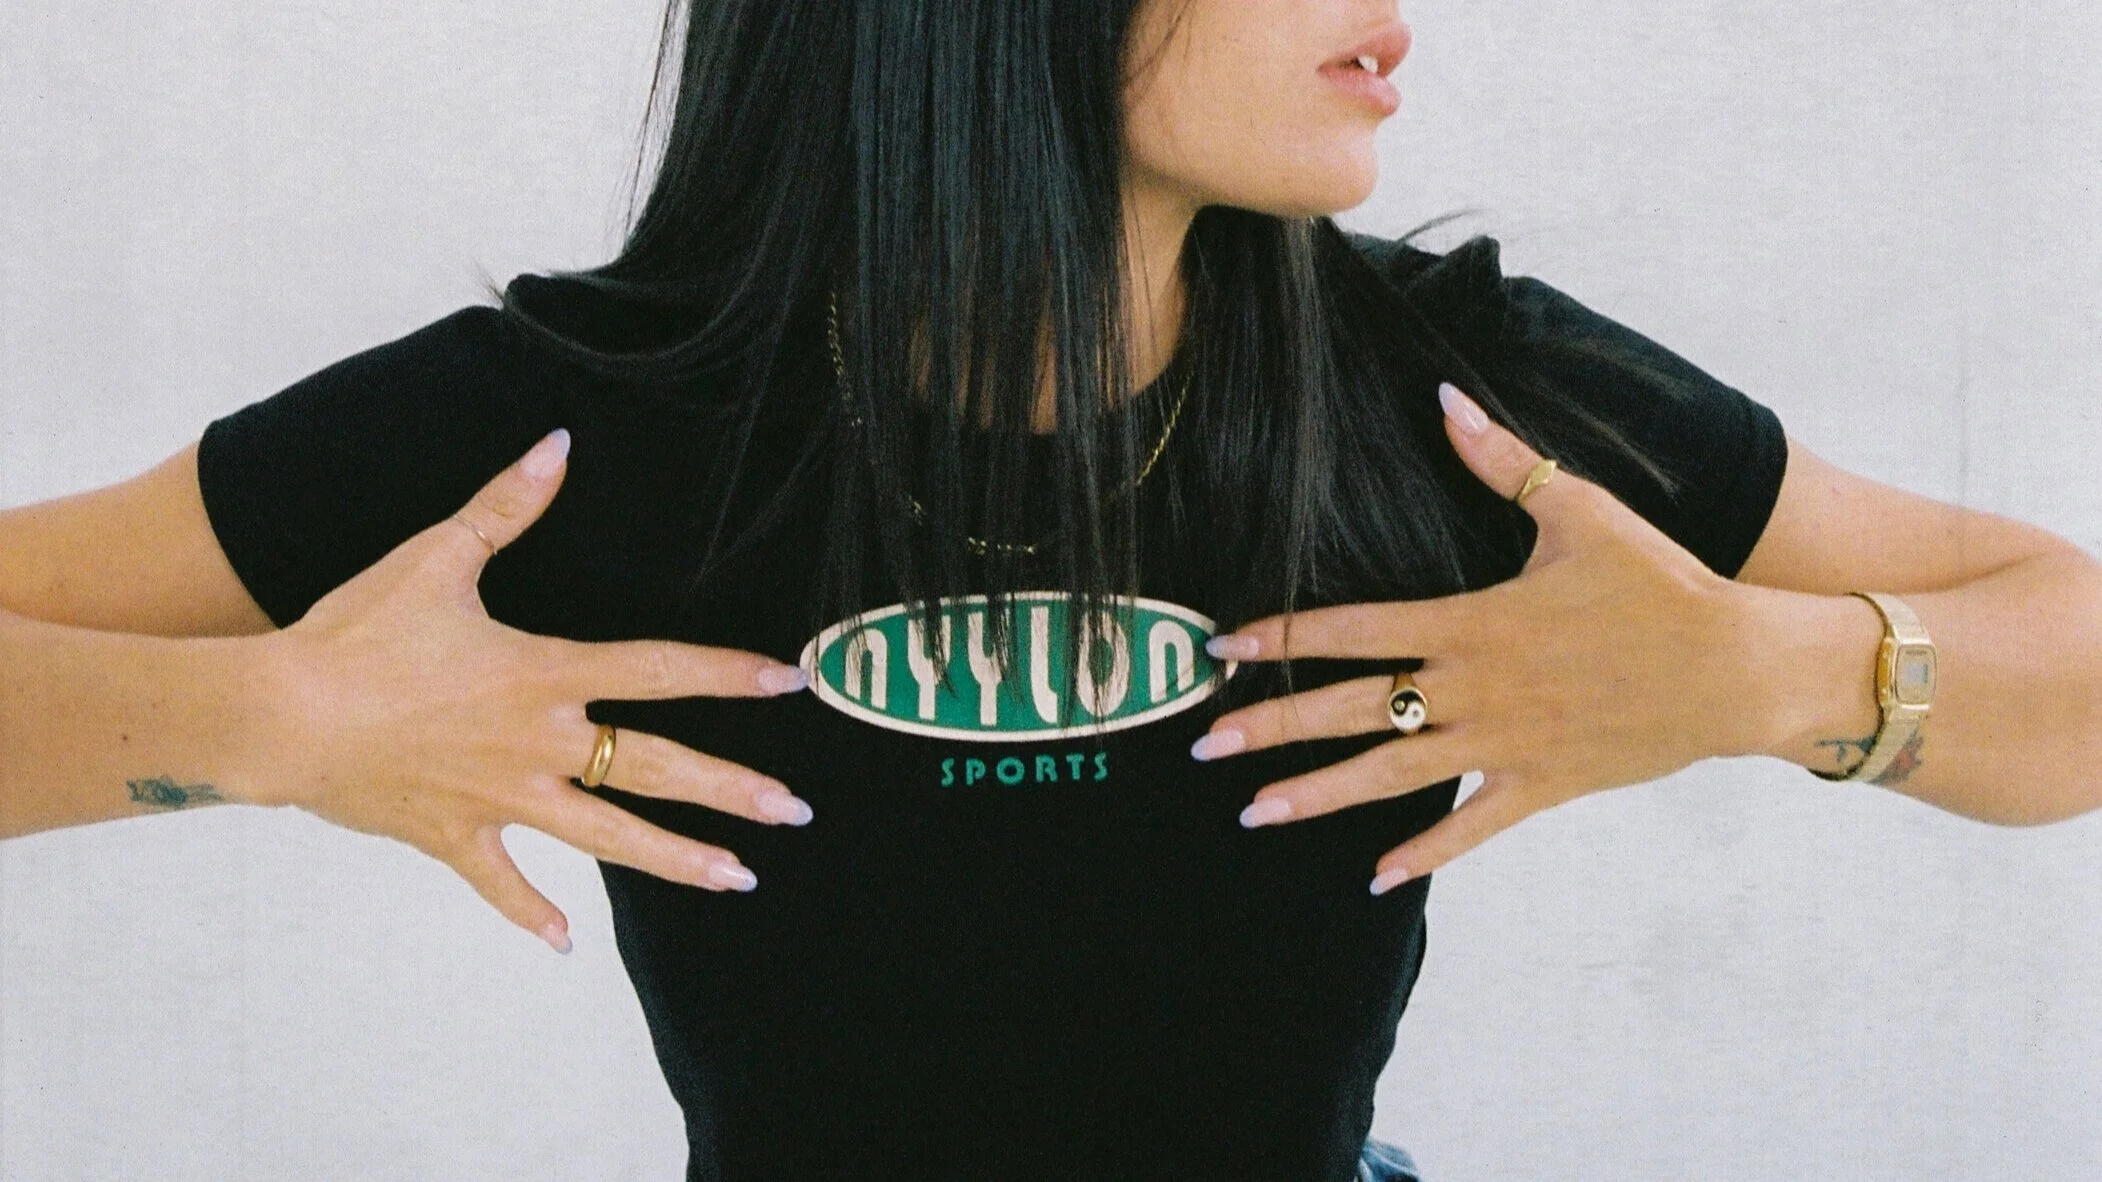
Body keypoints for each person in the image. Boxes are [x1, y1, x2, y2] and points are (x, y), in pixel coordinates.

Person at [3, 1, 2099, 1179]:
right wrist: (273, 723)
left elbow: (2067, 660)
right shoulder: (580, 415)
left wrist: (1779, 676)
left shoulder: (1442, 385)